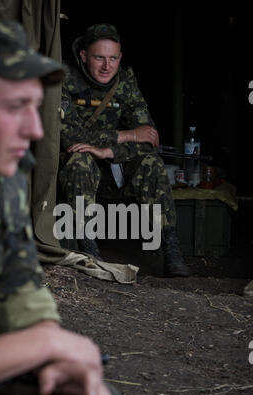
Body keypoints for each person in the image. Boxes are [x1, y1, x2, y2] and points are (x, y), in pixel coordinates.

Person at [0, 20, 164, 395]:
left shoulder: (5, 179)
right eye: (15, 106)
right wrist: (41, 345)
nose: (35, 130)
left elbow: (19, 284)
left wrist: (51, 350)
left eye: (37, 107)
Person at [60, 23, 190, 277]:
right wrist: (124, 135)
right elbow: (69, 136)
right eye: (99, 57)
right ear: (84, 56)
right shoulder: (64, 79)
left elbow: (148, 137)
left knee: (151, 163)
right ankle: (88, 248)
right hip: (73, 176)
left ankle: (170, 246)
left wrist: (108, 152)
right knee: (79, 159)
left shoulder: (125, 83)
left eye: (113, 58)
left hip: (112, 170)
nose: (107, 66)